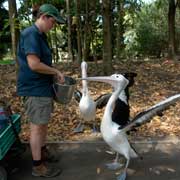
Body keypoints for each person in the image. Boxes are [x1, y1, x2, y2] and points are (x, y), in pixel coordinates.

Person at [17, 4, 65, 178]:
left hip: (43, 88)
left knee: (43, 123)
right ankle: (38, 166)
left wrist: (51, 75)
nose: (54, 26)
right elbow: (34, 64)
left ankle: (42, 152)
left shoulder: (40, 36)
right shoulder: (31, 34)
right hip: (34, 89)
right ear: (44, 17)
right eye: (53, 21)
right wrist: (55, 71)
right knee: (37, 127)